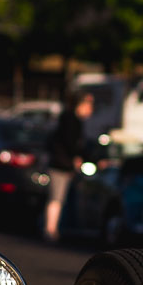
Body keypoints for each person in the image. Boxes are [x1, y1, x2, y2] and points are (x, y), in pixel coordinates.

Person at [43, 92, 94, 243]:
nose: (91, 109)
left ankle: (51, 227)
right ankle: (50, 229)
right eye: (89, 105)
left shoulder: (67, 119)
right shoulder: (72, 121)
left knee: (57, 197)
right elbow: (71, 143)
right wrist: (76, 158)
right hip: (61, 165)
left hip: (60, 163)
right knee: (57, 198)